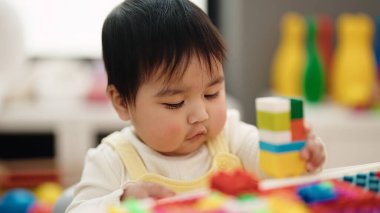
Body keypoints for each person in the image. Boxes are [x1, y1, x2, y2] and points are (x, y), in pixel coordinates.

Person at [67, 0, 326, 212]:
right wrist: (122, 201)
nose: (200, 115)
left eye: (212, 94)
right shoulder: (112, 159)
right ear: (122, 102)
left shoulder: (231, 137)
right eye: (175, 103)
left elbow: (272, 171)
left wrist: (296, 156)